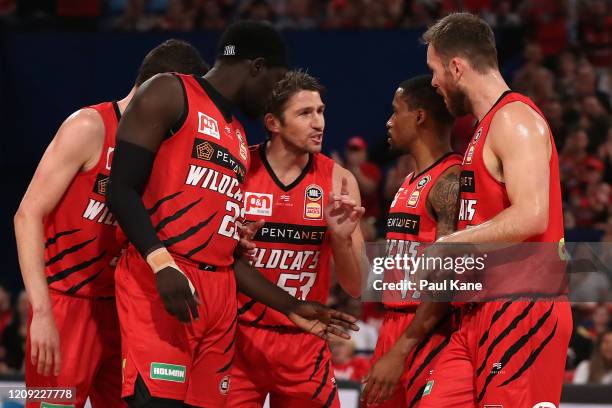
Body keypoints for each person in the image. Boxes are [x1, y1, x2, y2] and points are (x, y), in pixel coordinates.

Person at [106, 22, 357, 408]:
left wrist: (289, 305)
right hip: (165, 283)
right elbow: (120, 189)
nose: (272, 96)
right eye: (274, 83)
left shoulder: (238, 135)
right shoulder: (170, 91)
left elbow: (223, 252)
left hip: (220, 298)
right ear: (255, 67)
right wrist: (161, 264)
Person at [13, 39, 209, 408]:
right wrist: (41, 312)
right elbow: (27, 215)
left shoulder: (161, 151)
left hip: (123, 310)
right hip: (66, 307)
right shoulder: (89, 126)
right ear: (163, 88)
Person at [414, 13, 572, 408]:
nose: (433, 82)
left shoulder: (515, 119)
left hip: (523, 308)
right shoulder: (483, 129)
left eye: (434, 71)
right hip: (478, 310)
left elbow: (532, 215)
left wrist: (450, 243)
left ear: (456, 67)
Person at [228, 70, 366, 408]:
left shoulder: (339, 180)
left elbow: (356, 285)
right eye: (305, 113)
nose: (319, 122)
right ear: (273, 123)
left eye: (320, 111)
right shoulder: (238, 169)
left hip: (304, 343)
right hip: (237, 340)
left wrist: (340, 239)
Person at [361, 75, 462, 407]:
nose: (389, 122)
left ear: (419, 117)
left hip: (429, 334)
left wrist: (400, 350)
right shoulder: (407, 181)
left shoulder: (451, 180)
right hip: (393, 326)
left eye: (395, 112)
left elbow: (447, 281)